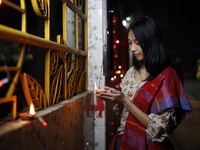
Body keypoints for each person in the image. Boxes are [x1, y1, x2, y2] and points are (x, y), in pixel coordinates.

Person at [95, 16, 192, 150]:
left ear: (151, 42)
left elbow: (159, 129)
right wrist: (116, 98)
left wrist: (125, 100)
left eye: (137, 42)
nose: (133, 49)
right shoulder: (131, 72)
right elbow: (123, 117)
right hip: (123, 143)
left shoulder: (166, 76)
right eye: (129, 43)